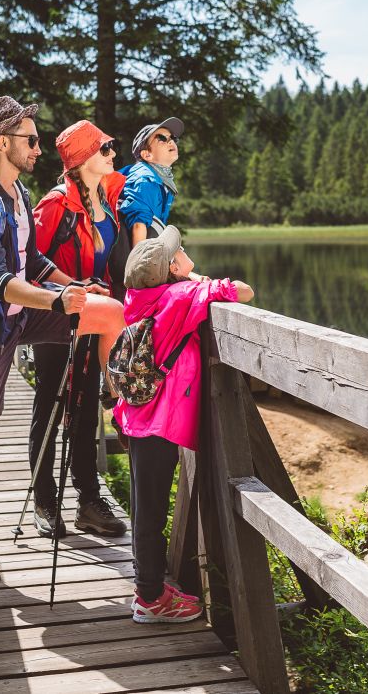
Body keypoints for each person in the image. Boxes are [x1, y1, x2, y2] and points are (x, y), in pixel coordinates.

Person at [0, 96, 125, 582]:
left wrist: (70, 286)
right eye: (31, 139)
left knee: (109, 312)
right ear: (3, 142)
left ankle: (125, 399)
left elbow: (32, 262)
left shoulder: (17, 193)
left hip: (22, 315)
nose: (40, 149)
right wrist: (57, 302)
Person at [114, 226, 254, 623]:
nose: (182, 250)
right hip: (158, 422)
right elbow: (244, 292)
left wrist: (183, 278)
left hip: (136, 416)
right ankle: (150, 599)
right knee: (151, 512)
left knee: (145, 507)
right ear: (173, 269)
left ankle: (149, 585)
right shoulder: (179, 298)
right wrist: (194, 280)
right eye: (178, 252)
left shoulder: (140, 298)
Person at [28, 120, 128, 539]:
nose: (112, 154)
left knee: (86, 407)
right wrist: (69, 287)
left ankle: (89, 501)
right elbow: (26, 266)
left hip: (95, 314)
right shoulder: (55, 205)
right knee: (50, 401)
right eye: (104, 148)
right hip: (56, 314)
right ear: (83, 157)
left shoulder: (109, 199)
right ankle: (44, 501)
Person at [118, 117, 184, 247]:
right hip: (135, 256)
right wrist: (140, 265)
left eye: (172, 138)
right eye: (162, 138)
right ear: (147, 155)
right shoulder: (145, 180)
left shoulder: (159, 178)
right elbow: (138, 225)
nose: (170, 142)